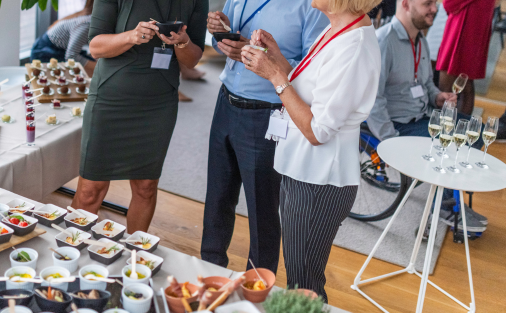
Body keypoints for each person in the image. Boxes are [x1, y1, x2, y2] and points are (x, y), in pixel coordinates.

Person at [242, 0, 381, 301]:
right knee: (299, 277)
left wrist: (274, 76)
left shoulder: (352, 46)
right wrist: (277, 59)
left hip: (319, 179)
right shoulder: (338, 28)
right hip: (304, 170)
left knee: (304, 285)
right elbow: (314, 91)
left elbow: (318, 131)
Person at [200, 1, 328, 274]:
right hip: (225, 102)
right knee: (217, 198)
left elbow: (313, 71)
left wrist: (262, 56)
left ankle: (257, 287)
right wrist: (219, 32)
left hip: (267, 115)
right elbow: (226, 42)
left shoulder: (312, 7)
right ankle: (210, 273)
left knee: (263, 212)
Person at [72, 0, 208, 234]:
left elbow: (192, 59)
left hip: (159, 104)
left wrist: (182, 42)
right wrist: (131, 36)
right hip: (111, 99)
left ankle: (135, 260)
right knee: (90, 190)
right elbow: (95, 47)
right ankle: (71, 255)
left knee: (146, 187)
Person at [367, 0, 487, 231]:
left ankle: (448, 192)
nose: (435, 8)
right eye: (428, 4)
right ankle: (444, 206)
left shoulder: (421, 40)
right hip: (400, 125)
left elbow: (425, 84)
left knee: (476, 133)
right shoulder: (383, 41)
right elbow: (374, 99)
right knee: (451, 144)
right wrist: (390, 142)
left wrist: (438, 97)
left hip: (424, 115)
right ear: (405, 4)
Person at [436, 0, 494, 116]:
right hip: (474, 17)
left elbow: (449, 4)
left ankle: (444, 124)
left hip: (467, 21)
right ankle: (458, 126)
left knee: (451, 78)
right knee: (465, 80)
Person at [30, 0, 96, 76]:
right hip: (45, 52)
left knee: (92, 64)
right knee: (94, 69)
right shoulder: (86, 25)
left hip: (60, 49)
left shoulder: (88, 20)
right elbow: (71, 56)